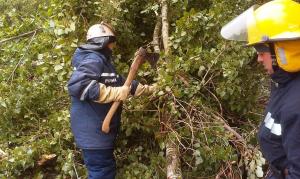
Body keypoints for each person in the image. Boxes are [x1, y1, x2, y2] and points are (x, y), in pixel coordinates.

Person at [220, 0, 300, 178]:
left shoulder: (296, 104)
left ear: (282, 51)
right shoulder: (282, 81)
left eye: (261, 52)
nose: (258, 59)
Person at [67, 22, 155, 179]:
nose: (113, 46)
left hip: (98, 133)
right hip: (93, 133)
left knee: (104, 170)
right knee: (102, 173)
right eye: (111, 42)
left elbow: (124, 84)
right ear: (104, 41)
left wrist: (153, 89)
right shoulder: (93, 59)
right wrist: (115, 93)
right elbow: (78, 85)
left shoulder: (104, 63)